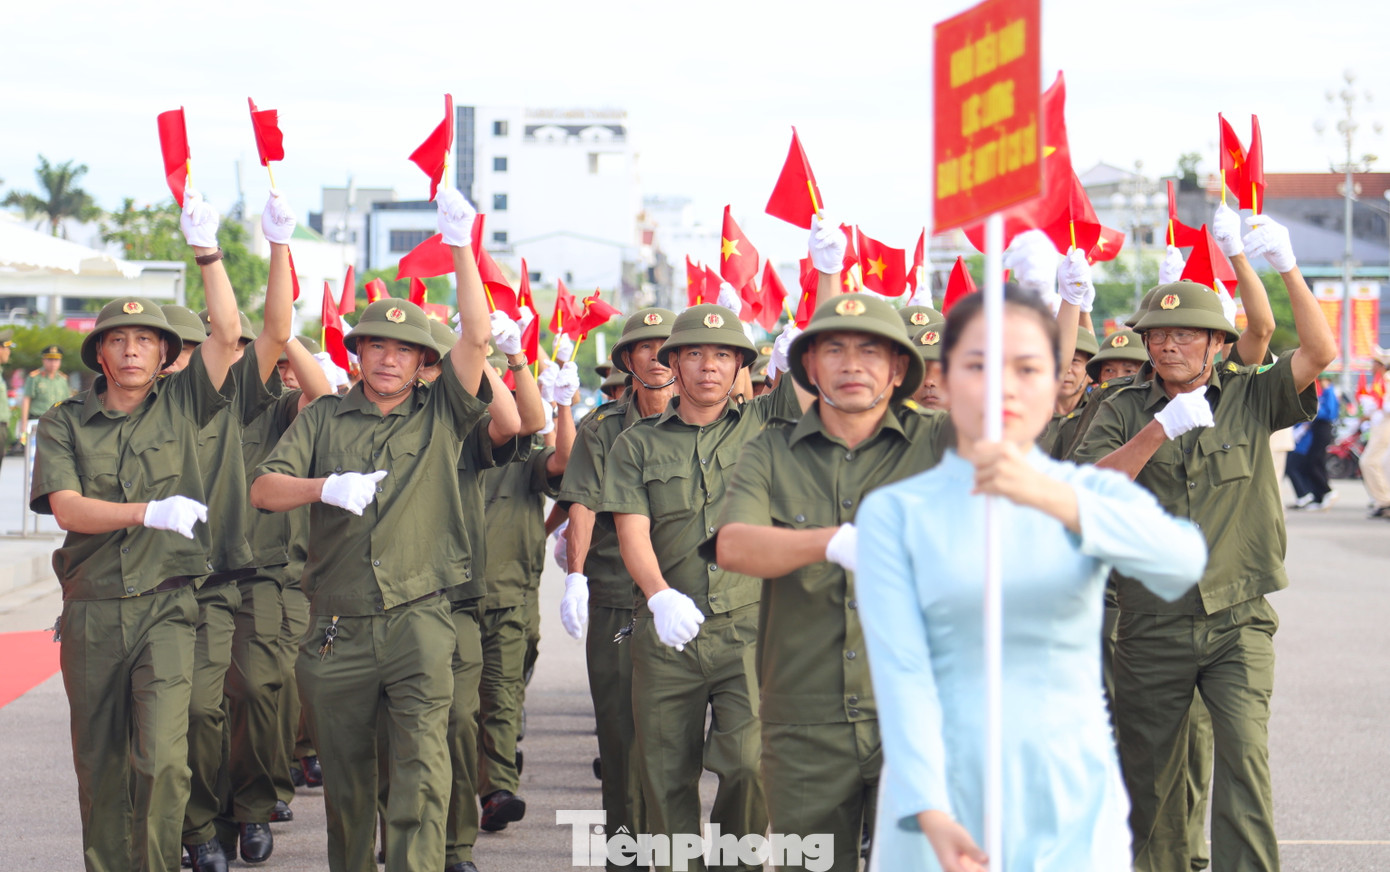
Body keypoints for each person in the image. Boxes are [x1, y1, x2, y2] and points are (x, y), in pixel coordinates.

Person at [856, 286, 1207, 872]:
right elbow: (902, 674)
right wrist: (930, 810)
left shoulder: (1088, 495)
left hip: (1067, 792)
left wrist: (1053, 496)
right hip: (943, 793)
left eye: (1027, 368)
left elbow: (1180, 560)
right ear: (944, 376)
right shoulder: (896, 512)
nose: (1003, 386)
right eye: (979, 365)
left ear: (1056, 383)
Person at [1074, 212, 1337, 872]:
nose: (1168, 346)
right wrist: (1158, 430)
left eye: (1186, 334)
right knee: (1153, 783)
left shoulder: (1248, 396)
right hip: (1149, 623)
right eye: (1158, 334)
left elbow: (1319, 352)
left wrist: (1285, 267)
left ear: (1217, 344)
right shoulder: (1121, 408)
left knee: (1245, 765)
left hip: (1237, 618)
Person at [250, 187, 493, 872]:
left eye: (404, 350)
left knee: (422, 771)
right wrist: (324, 486)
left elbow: (476, 336)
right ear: (356, 355)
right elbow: (264, 489)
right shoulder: (324, 418)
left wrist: (461, 247)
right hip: (339, 627)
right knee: (350, 787)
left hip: (421, 620)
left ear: (424, 363)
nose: (387, 359)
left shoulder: (443, 412)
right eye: (375, 347)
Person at [29, 188, 241, 872]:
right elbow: (66, 507)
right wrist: (146, 511)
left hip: (168, 606)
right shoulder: (63, 422)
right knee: (100, 768)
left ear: (162, 353)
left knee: (163, 760)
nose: (130, 351)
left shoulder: (183, 403)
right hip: (92, 610)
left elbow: (230, 336)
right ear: (100, 354)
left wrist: (207, 252)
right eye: (118, 340)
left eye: (144, 340)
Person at [716, 292, 949, 871]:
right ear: (810, 366)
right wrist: (831, 541)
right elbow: (734, 544)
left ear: (898, 369)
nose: (852, 365)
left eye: (871, 350)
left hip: (919, 710)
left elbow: (1024, 454)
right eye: (835, 350)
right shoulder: (769, 450)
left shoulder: (940, 441)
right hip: (804, 719)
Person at [556, 307, 677, 866]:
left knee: (676, 739)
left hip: (689, 597)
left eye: (666, 347)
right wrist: (576, 575)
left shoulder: (708, 419)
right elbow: (580, 500)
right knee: (621, 736)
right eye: (644, 349)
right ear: (628, 361)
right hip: (615, 596)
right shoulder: (602, 427)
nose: (656, 357)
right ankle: (625, 853)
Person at [1301, 375, 1340, 510]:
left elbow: (1331, 413)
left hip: (1324, 428)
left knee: (1314, 462)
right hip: (1316, 429)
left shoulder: (1329, 392)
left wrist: (1315, 409)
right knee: (1313, 462)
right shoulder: (1322, 392)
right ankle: (1318, 496)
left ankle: (1327, 490)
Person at [20, 344, 74, 437]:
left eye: (56, 360)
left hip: (57, 422)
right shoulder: (34, 378)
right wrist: (23, 426)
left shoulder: (63, 379)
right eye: (50, 359)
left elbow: (67, 403)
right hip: (37, 421)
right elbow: (26, 401)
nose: (53, 363)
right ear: (43, 360)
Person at [1362, 349, 1390, 518]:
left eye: (1374, 363)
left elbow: (1386, 405)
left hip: (1385, 426)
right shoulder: (1381, 381)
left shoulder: (1386, 379)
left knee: (1369, 462)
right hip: (1379, 426)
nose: (1371, 367)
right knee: (1380, 464)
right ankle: (1382, 500)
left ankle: (1384, 500)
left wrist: (1378, 406)